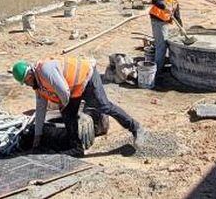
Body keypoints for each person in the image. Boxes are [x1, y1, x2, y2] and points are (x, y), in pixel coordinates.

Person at [12, 56, 142, 154]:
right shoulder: (37, 86)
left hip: (86, 76)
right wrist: (37, 136)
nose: (28, 83)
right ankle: (77, 148)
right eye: (25, 82)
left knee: (104, 106)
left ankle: (135, 127)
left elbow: (64, 92)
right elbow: (40, 110)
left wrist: (63, 106)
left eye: (27, 79)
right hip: (73, 89)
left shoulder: (46, 70)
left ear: (31, 72)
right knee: (68, 114)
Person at [149, 0, 190, 76]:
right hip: (157, 20)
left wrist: (181, 27)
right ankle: (156, 73)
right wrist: (164, 7)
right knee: (161, 46)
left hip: (164, 21)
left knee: (163, 44)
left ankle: (158, 66)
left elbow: (177, 13)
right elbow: (155, 0)